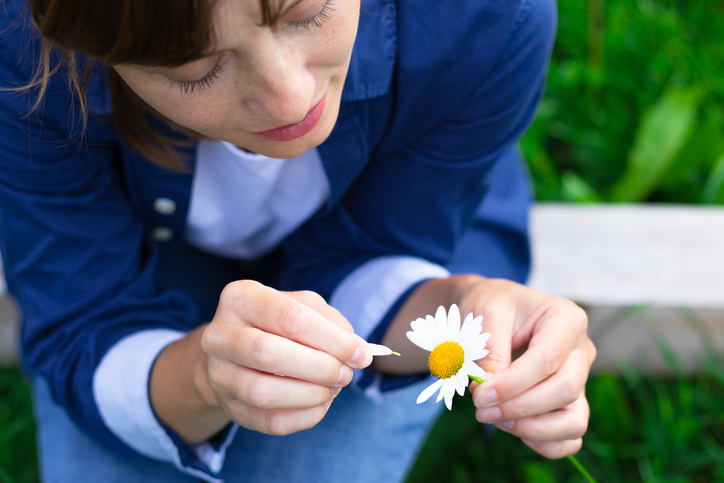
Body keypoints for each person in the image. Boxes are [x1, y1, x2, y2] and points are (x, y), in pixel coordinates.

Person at [0, 0, 596, 481]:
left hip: (409, 236)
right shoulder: (21, 54)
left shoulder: (481, 18)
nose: (291, 98)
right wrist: (203, 378)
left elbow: (389, 243)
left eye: (307, 11)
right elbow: (88, 320)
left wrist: (461, 304)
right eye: (196, 69)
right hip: (147, 258)